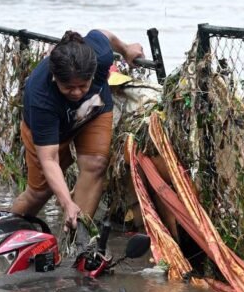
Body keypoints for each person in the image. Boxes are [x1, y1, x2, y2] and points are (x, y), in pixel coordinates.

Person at [10, 30, 144, 231]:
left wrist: (126, 49)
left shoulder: (100, 55)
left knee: (96, 164)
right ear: (55, 77)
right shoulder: (41, 96)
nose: (76, 92)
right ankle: (5, 231)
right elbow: (49, 159)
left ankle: (79, 238)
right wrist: (66, 203)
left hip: (93, 111)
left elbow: (103, 34)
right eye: (68, 87)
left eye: (83, 85)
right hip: (54, 129)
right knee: (39, 193)